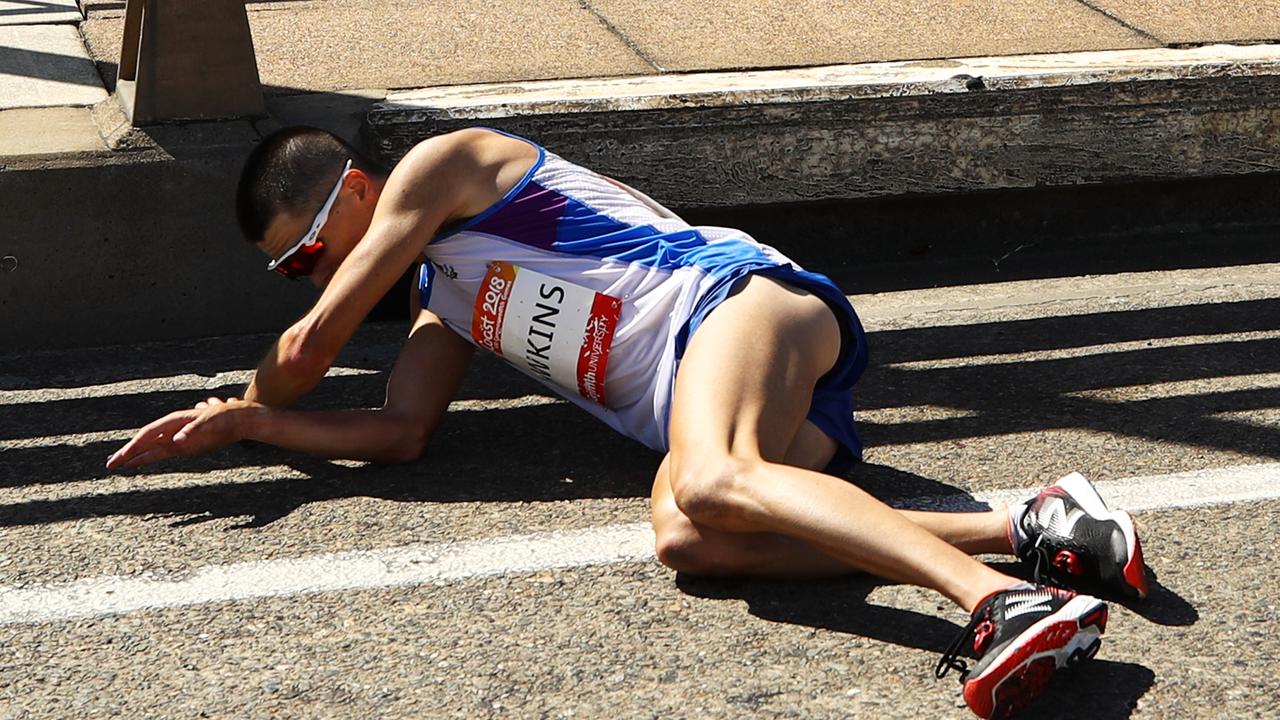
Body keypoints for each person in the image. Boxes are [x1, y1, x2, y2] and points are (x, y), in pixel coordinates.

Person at [106, 126, 1148, 719]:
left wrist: (259, 391)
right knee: (690, 535)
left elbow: (305, 356)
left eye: (304, 256)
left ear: (359, 191)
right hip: (709, 392)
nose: (314, 277)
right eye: (295, 272)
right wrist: (250, 429)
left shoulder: (442, 169)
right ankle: (1037, 525)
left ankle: (998, 606)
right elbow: (401, 428)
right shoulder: (442, 297)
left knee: (708, 478)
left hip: (735, 308)